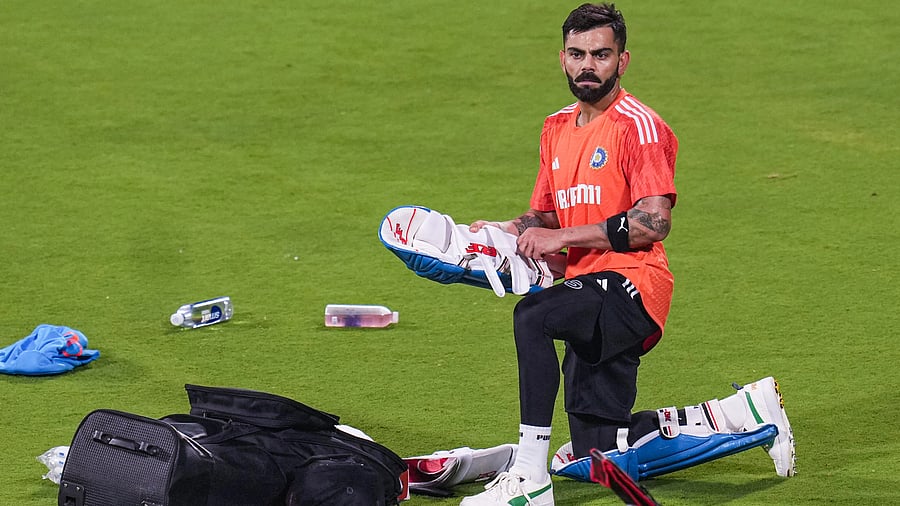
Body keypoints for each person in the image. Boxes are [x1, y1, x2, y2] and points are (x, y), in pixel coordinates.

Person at [460, 4, 793, 505]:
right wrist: (506, 229)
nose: (587, 65)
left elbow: (653, 221)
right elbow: (549, 217)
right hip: (586, 287)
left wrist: (564, 238)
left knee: (532, 316)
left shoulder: (639, 126)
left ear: (623, 60)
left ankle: (529, 475)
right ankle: (741, 411)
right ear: (562, 58)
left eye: (600, 54)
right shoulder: (555, 127)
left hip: (632, 285)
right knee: (594, 452)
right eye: (577, 54)